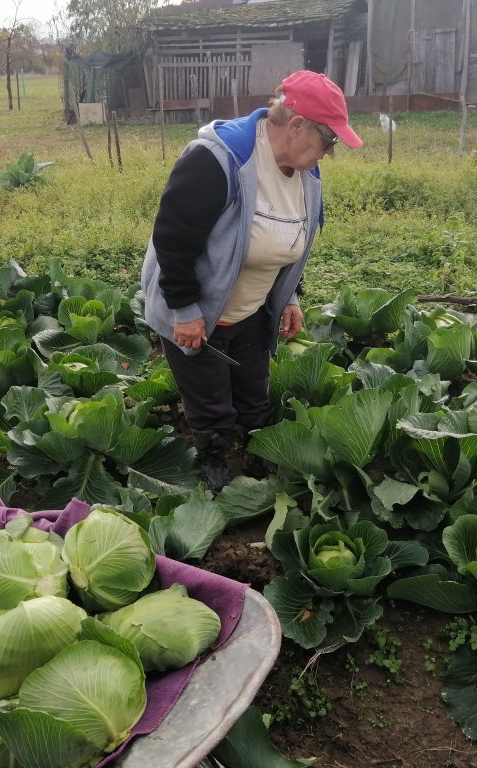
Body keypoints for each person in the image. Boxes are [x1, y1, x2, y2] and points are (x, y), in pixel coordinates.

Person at [141, 70, 362, 492]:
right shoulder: (218, 158)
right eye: (328, 141)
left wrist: (291, 297)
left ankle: (261, 471)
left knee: (255, 402)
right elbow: (172, 238)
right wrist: (184, 311)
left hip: (252, 312)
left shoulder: (306, 174)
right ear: (297, 126)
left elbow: (290, 239)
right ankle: (217, 476)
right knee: (211, 408)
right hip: (199, 317)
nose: (329, 153)